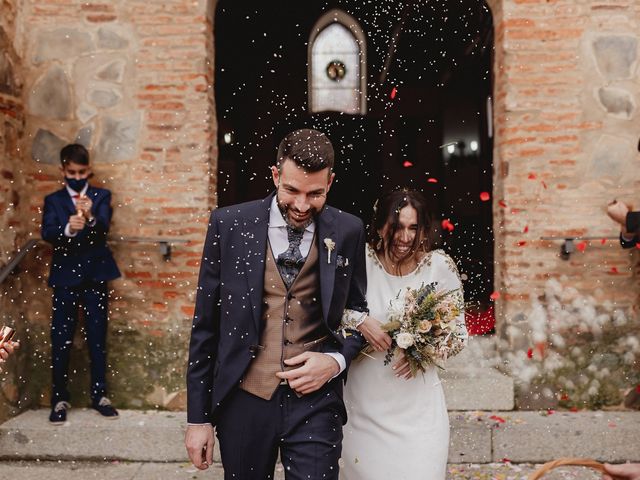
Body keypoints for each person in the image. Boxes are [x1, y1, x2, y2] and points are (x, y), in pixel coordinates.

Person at [185, 129, 368, 479]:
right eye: (292, 190)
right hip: (244, 398)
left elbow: (357, 315)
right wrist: (198, 418)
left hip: (317, 403)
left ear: (330, 181)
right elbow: (205, 326)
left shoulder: (348, 230)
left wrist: (336, 361)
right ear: (275, 176)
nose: (301, 205)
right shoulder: (229, 225)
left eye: (315, 193)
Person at [340, 189, 468, 480]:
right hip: (363, 407)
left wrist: (422, 349)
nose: (405, 237)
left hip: (418, 412)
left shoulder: (439, 266)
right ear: (380, 224)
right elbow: (332, 313)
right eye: (397, 227)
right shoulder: (360, 261)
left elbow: (459, 334)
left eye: (414, 228)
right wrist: (361, 321)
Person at [41, 144, 121, 424]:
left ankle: (100, 395)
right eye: (71, 172)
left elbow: (104, 230)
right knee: (61, 339)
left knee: (97, 338)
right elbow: (47, 232)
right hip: (65, 277)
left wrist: (89, 219)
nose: (77, 177)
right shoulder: (54, 200)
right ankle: (59, 398)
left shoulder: (101, 196)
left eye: (82, 172)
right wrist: (67, 229)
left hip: (95, 275)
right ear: (63, 171)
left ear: (89, 170)